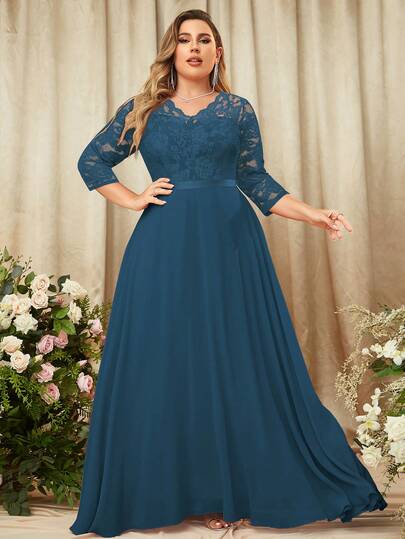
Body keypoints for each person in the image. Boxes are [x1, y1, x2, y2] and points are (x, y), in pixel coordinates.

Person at [69, 8, 387, 537]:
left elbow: (256, 181)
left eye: (204, 40)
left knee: (232, 362)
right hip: (163, 247)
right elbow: (91, 161)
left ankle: (227, 489)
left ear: (218, 52)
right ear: (172, 50)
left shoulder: (237, 110)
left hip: (230, 245)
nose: (194, 47)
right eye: (184, 39)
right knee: (166, 360)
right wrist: (133, 199)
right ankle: (173, 490)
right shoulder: (144, 109)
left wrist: (314, 214)